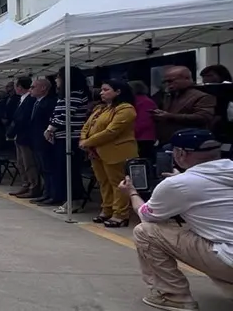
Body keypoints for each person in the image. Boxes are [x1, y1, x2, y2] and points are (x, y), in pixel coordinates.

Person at [122, 129, 233, 310]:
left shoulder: (178, 184)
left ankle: (174, 296)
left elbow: (145, 214)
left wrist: (132, 192)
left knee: (145, 232)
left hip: (229, 259)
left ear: (180, 153)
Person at [79, 80, 139, 228]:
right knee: (103, 183)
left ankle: (120, 214)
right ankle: (107, 210)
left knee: (118, 183)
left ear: (118, 92)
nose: (101, 92)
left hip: (117, 151)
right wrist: (83, 139)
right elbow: (87, 126)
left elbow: (111, 131)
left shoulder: (126, 109)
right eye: (102, 90)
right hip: (97, 152)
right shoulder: (101, 108)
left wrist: (88, 142)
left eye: (106, 90)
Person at [45, 66, 89, 214]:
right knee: (63, 169)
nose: (56, 80)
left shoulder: (74, 94)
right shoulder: (64, 95)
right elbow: (57, 114)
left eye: (58, 77)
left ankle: (74, 200)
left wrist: (51, 128)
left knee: (70, 170)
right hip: (61, 136)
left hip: (71, 137)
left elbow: (65, 115)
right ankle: (68, 199)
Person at [153, 66, 216, 147]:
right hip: (167, 141)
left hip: (190, 143)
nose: (168, 84)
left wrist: (169, 116)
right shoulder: (169, 96)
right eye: (165, 82)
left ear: (186, 78)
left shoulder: (202, 97)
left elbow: (203, 117)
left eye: (171, 81)